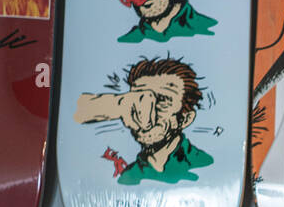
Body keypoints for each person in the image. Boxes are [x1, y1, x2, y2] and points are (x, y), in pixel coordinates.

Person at [74, 57, 213, 184]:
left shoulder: (204, 164)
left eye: (162, 100)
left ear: (185, 119)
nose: (146, 112)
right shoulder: (127, 176)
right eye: (139, 100)